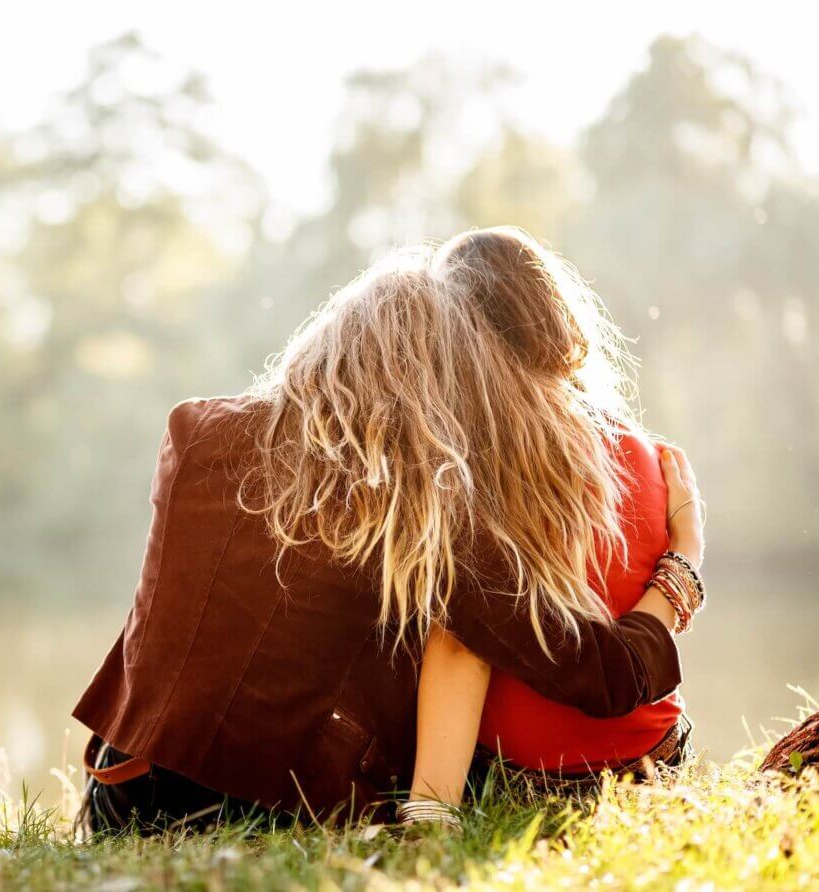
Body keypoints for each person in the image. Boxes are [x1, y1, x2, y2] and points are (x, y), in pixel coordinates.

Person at [73, 234, 701, 834]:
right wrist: (683, 562)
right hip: (279, 811)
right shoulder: (423, 502)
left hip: (122, 792)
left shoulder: (195, 431)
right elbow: (605, 675)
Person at [403, 228, 704, 828]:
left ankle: (432, 808)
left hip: (527, 781)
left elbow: (463, 647)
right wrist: (690, 550)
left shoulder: (472, 467)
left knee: (448, 617)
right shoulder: (646, 454)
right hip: (653, 762)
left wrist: (431, 814)